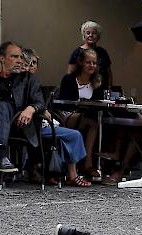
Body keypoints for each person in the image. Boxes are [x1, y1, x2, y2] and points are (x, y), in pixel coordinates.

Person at [0, 41, 45, 188]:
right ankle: (0, 155)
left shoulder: (27, 79)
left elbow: (39, 101)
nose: (19, 60)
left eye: (20, 57)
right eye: (14, 57)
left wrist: (30, 109)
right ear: (2, 58)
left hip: (17, 123)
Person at [24, 48, 90, 187]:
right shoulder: (24, 82)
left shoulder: (33, 81)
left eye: (34, 63)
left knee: (61, 138)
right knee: (74, 135)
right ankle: (72, 175)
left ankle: (55, 173)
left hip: (43, 123)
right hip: (32, 125)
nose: (31, 66)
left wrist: (43, 109)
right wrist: (41, 109)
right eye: (28, 62)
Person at [59, 48, 102, 179]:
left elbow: (98, 102)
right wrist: (82, 104)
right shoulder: (69, 79)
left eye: (94, 63)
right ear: (81, 63)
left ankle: (90, 163)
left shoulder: (96, 83)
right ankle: (87, 164)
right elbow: (65, 101)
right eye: (88, 62)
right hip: (66, 114)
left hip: (86, 116)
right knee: (93, 123)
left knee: (95, 122)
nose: (91, 66)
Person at [67, 20, 112, 91]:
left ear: (98, 36)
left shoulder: (102, 52)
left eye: (94, 33)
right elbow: (70, 74)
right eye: (88, 33)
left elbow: (108, 73)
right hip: (81, 91)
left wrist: (109, 89)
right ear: (84, 35)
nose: (90, 35)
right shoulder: (77, 52)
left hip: (101, 91)